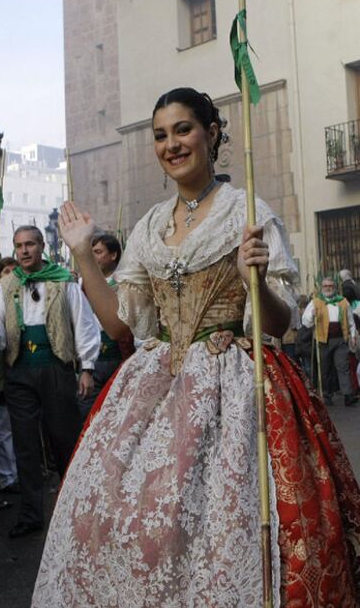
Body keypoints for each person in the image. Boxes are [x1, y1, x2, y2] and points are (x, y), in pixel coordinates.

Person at [33, 88, 360, 606]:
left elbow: (278, 326)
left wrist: (255, 281)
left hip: (235, 388)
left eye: (183, 129)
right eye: (161, 135)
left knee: (223, 525)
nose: (171, 144)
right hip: (155, 385)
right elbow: (121, 325)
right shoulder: (148, 226)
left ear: (212, 133)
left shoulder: (246, 210)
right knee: (125, 520)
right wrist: (83, 256)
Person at [0, 226, 100, 538]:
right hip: (19, 371)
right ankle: (31, 514)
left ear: (42, 246)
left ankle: (72, 509)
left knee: (63, 439)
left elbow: (83, 324)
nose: (24, 251)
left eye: (30, 244)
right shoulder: (6, 285)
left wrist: (87, 367)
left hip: (55, 367)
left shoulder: (63, 281)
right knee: (25, 444)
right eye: (18, 246)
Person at [78, 234, 134, 422]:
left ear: (113, 255)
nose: (94, 257)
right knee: (89, 415)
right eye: (91, 253)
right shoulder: (81, 284)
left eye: (99, 252)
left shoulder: (126, 283)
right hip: (92, 361)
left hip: (120, 356)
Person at [302, 276, 357, 406]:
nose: (328, 288)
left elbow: (350, 321)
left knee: (343, 367)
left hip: (340, 339)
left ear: (335, 288)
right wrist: (312, 315)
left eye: (331, 286)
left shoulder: (343, 302)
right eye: (326, 286)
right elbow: (306, 322)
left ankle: (348, 395)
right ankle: (326, 395)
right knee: (325, 369)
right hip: (323, 340)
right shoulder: (315, 302)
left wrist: (353, 335)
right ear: (322, 288)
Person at [0, 257, 19, 493]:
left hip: (21, 373)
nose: (10, 275)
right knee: (4, 430)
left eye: (14, 271)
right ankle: (5, 477)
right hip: (1, 376)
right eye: (5, 271)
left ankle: (15, 473)